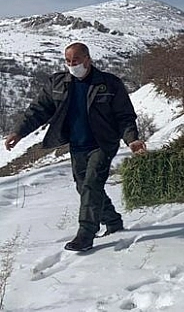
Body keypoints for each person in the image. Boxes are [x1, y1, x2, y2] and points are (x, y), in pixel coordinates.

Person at [4, 42, 146, 252]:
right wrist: (19, 131)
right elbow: (39, 110)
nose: (72, 65)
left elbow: (124, 116)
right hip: (77, 144)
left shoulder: (108, 83)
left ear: (88, 59)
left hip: (103, 144)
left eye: (76, 61)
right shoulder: (58, 83)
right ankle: (113, 220)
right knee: (84, 187)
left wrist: (132, 139)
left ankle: (86, 234)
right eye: (68, 61)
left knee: (90, 184)